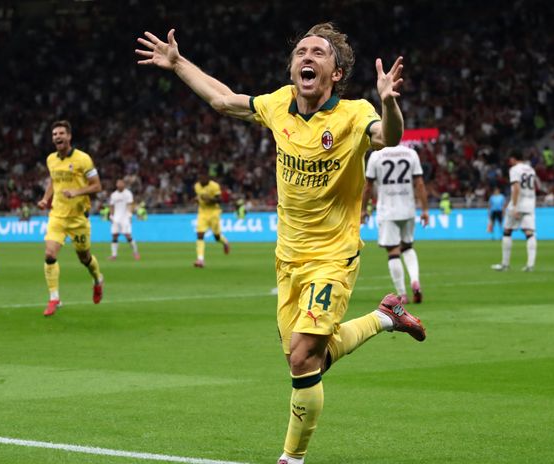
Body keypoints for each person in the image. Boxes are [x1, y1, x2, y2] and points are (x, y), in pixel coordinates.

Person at [137, 23, 426, 464]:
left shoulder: (354, 114)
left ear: (336, 72)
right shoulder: (276, 104)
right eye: (301, 51)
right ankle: (385, 317)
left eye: (319, 53)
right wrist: (177, 63)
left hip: (333, 255)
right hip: (288, 258)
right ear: (293, 67)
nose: (307, 57)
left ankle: (292, 458)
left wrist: (389, 104)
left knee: (303, 354)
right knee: (307, 358)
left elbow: (390, 137)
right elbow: (223, 99)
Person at [37, 120, 104, 317]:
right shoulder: (51, 159)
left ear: (69, 137)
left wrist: (77, 192)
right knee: (50, 254)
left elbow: (97, 186)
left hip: (78, 218)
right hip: (57, 215)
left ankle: (98, 279)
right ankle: (54, 298)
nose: (57, 137)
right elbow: (53, 181)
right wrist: (45, 198)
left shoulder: (84, 159)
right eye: (54, 134)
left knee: (85, 258)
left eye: (61, 133)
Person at [362, 144, 429, 304]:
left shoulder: (376, 156)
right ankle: (415, 281)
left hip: (387, 210)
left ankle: (402, 294)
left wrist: (363, 209)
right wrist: (425, 209)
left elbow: (368, 187)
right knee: (407, 246)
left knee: (393, 251)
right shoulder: (411, 153)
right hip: (408, 209)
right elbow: (419, 184)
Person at [492, 153, 538, 271]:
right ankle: (530, 265)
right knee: (529, 233)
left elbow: (516, 187)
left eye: (510, 159)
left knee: (507, 231)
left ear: (513, 158)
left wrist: (514, 206)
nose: (509, 161)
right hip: (530, 203)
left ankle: (505, 264)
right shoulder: (531, 169)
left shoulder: (514, 169)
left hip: (518, 202)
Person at [193, 170, 229, 268]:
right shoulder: (197, 186)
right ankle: (200, 259)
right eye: (200, 178)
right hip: (202, 213)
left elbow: (219, 200)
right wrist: (197, 200)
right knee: (200, 234)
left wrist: (210, 200)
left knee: (216, 237)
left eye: (203, 178)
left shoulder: (214, 186)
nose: (201, 180)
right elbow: (199, 197)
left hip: (214, 213)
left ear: (208, 178)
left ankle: (225, 242)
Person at [108, 179, 140, 261]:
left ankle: (135, 252)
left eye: (121, 183)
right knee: (114, 235)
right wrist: (111, 215)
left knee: (128, 235)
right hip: (116, 218)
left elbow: (130, 204)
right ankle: (114, 255)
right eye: (118, 183)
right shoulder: (114, 195)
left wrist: (129, 215)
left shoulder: (128, 193)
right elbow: (111, 206)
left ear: (124, 184)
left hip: (125, 218)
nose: (119, 185)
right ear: (116, 185)